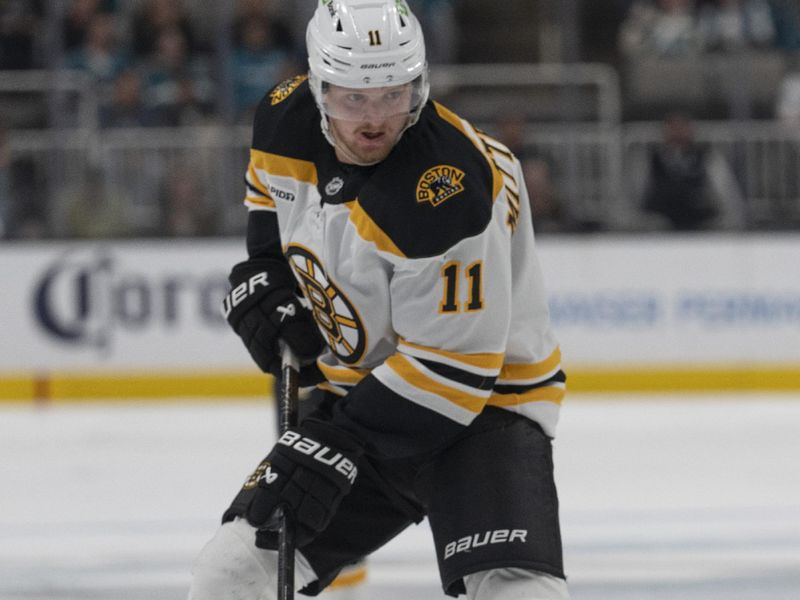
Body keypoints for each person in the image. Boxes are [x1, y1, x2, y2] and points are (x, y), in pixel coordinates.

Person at [188, 1, 569, 599]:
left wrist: (336, 440)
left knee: (514, 590)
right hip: (362, 397)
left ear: (418, 84)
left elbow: (454, 372)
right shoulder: (284, 119)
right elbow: (270, 207)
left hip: (488, 406)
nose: (376, 120)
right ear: (318, 88)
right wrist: (266, 277)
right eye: (354, 98)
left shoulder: (445, 191)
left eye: (393, 95)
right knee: (231, 572)